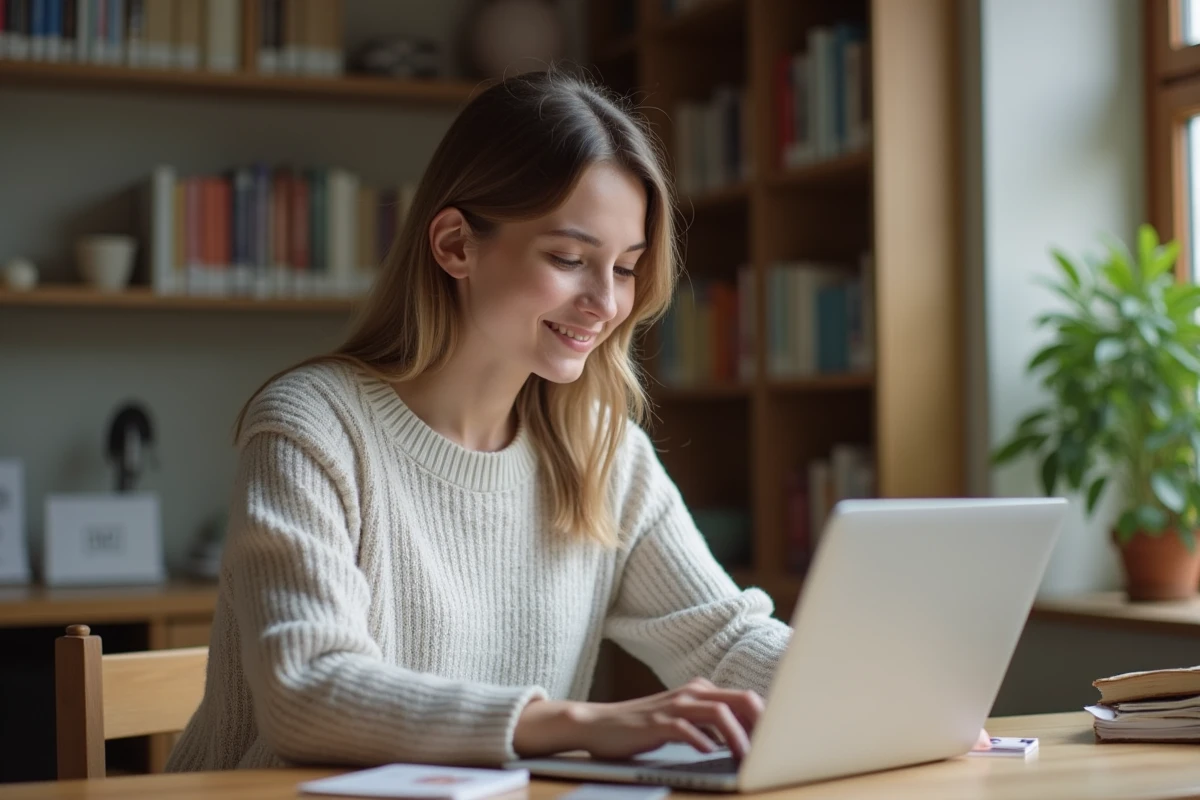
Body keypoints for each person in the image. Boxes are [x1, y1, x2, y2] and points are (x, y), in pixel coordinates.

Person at [166, 70, 987, 773]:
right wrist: (585, 725)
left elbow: (722, 639)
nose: (606, 303)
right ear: (455, 244)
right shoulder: (313, 424)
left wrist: (896, 704)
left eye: (626, 269)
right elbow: (307, 691)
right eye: (568, 259)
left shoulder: (598, 448)